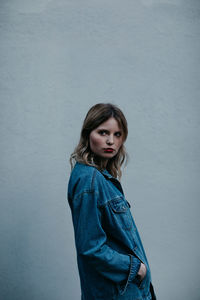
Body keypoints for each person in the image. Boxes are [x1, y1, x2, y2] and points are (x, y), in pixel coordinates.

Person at [67, 103, 156, 300]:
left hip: (125, 289)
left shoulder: (100, 176)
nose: (110, 141)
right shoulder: (89, 180)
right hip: (116, 292)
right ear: (87, 134)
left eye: (117, 134)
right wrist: (136, 268)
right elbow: (91, 248)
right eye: (103, 132)